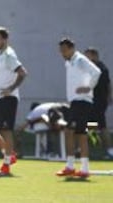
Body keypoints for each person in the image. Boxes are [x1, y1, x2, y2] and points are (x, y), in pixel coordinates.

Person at [0, 26, 27, 175]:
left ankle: (7, 164)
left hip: (9, 98)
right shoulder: (0, 55)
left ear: (5, 40)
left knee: (6, 130)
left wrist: (11, 88)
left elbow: (22, 73)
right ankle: (10, 154)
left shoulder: (9, 55)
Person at [56, 38, 101, 178]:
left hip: (82, 102)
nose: (62, 53)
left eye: (64, 50)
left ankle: (74, 167)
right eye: (61, 51)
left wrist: (88, 87)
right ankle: (80, 168)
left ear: (71, 48)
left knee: (72, 132)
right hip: (75, 102)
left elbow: (96, 72)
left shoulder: (80, 59)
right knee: (77, 133)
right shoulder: (69, 62)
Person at [84, 48, 113, 158]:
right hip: (92, 102)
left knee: (102, 126)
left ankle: (110, 150)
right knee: (91, 126)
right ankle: (95, 148)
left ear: (94, 55)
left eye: (87, 56)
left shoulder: (101, 69)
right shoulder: (92, 68)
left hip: (98, 103)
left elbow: (106, 85)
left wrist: (109, 97)